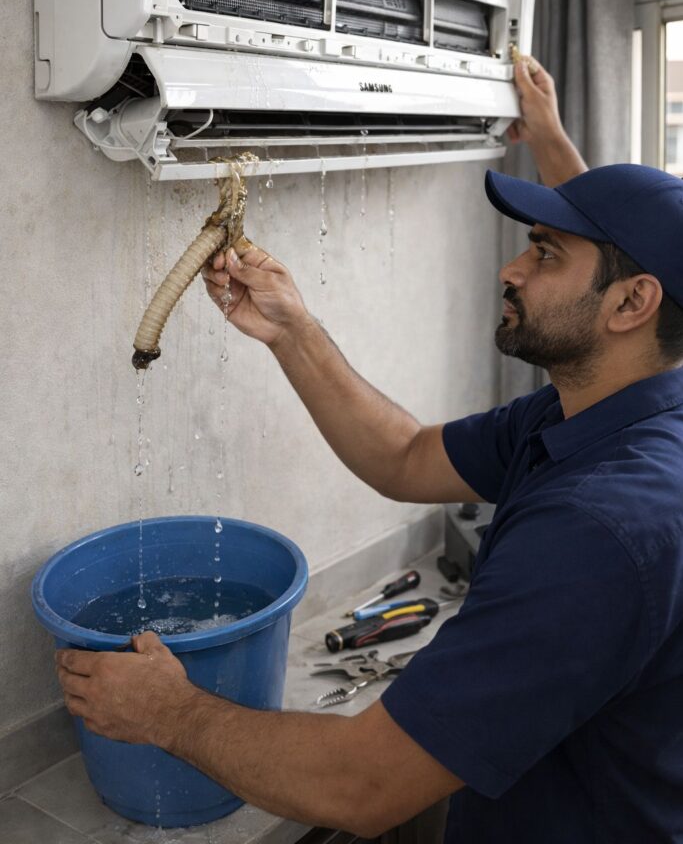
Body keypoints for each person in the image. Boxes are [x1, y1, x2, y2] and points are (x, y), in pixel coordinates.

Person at [55, 61, 683, 843]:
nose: (511, 269)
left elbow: (361, 785)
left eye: (546, 255)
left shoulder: (606, 523)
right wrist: (292, 330)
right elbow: (406, 456)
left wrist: (167, 710)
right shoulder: (591, 411)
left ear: (632, 303)